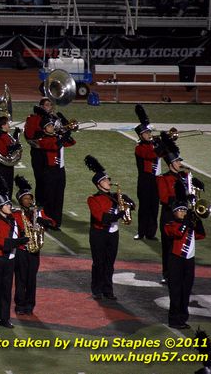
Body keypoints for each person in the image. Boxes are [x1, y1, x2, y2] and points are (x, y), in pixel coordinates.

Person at [85, 155, 135, 301]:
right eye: (106, 180)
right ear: (99, 184)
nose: (109, 182)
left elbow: (133, 206)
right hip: (99, 233)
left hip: (113, 233)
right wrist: (119, 213)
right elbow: (102, 218)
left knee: (110, 263)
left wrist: (129, 203)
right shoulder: (93, 199)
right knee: (99, 262)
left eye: (109, 180)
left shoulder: (116, 196)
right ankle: (97, 289)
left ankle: (108, 290)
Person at [156, 133, 203, 284]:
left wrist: (194, 189)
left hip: (185, 214)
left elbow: (192, 192)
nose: (179, 163)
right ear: (170, 164)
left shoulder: (185, 177)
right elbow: (164, 198)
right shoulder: (162, 179)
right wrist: (182, 198)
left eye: (179, 161)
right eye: (177, 161)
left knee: (184, 243)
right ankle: (167, 273)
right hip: (169, 215)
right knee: (168, 246)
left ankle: (183, 272)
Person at [0, 175, 28, 328]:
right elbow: (1, 242)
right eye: (7, 204)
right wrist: (20, 241)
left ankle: (5, 319)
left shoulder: (14, 220)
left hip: (10, 260)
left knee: (6, 290)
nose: (10, 206)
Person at [12, 175, 55, 315]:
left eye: (30, 198)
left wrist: (46, 222)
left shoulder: (37, 211)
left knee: (32, 279)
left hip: (34, 251)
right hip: (22, 251)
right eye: (26, 198)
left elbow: (51, 222)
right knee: (21, 279)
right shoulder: (17, 214)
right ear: (20, 201)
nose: (29, 201)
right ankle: (19, 304)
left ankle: (30, 305)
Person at [164, 201, 205, 329]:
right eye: (180, 210)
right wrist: (187, 222)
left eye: (185, 210)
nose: (183, 212)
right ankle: (174, 320)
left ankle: (182, 318)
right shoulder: (169, 224)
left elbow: (201, 235)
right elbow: (177, 233)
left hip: (189, 261)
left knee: (186, 291)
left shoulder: (189, 225)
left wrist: (198, 221)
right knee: (176, 291)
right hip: (176, 260)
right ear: (174, 212)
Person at [35, 115, 75, 229]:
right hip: (50, 172)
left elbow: (72, 142)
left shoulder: (57, 137)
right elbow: (55, 146)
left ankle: (56, 222)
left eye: (52, 125)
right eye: (49, 126)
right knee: (50, 197)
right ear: (44, 129)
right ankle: (48, 221)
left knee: (59, 197)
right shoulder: (43, 140)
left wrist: (66, 130)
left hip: (60, 171)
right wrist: (66, 133)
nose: (52, 127)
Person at [133, 105, 161, 240]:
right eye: (145, 133)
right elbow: (151, 155)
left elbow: (170, 155)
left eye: (149, 133)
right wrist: (161, 144)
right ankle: (141, 231)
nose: (149, 135)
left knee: (154, 207)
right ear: (140, 135)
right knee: (144, 207)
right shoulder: (139, 148)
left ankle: (151, 233)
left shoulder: (154, 144)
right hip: (145, 180)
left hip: (157, 180)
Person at [24, 98, 53, 206]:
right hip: (38, 152)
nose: (49, 107)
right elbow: (29, 136)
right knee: (41, 179)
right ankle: (40, 203)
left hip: (51, 153)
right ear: (41, 106)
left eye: (50, 105)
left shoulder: (53, 118)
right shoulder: (34, 118)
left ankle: (48, 202)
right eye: (46, 105)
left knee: (50, 179)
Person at [0, 116, 21, 201]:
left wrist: (16, 136)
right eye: (7, 124)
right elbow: (3, 152)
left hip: (7, 166)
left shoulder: (5, 135)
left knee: (8, 188)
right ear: (2, 125)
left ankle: (7, 207)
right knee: (2, 189)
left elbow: (11, 144)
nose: (9, 125)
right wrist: (14, 148)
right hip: (1, 168)